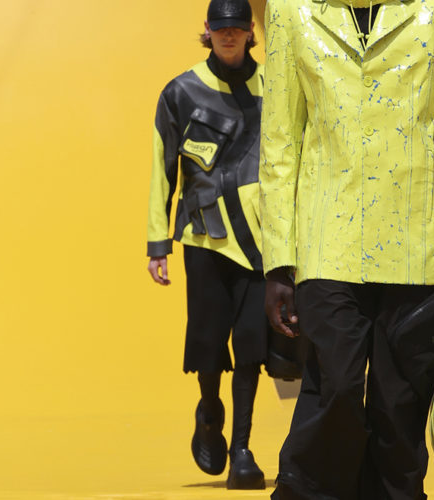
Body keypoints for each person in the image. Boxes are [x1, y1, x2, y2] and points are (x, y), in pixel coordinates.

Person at [259, 1, 434, 499]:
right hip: (326, 243)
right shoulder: (291, 11)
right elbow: (280, 142)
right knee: (338, 388)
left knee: (399, 409)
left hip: (418, 246)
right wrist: (278, 262)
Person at [145, 0, 267, 489]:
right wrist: (158, 242)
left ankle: (242, 448)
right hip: (205, 238)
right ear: (208, 31)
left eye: (237, 27)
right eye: (221, 28)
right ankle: (210, 407)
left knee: (253, 346)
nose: (229, 35)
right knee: (209, 342)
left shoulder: (277, 88)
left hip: (262, 241)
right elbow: (162, 167)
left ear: (251, 30)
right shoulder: (180, 91)